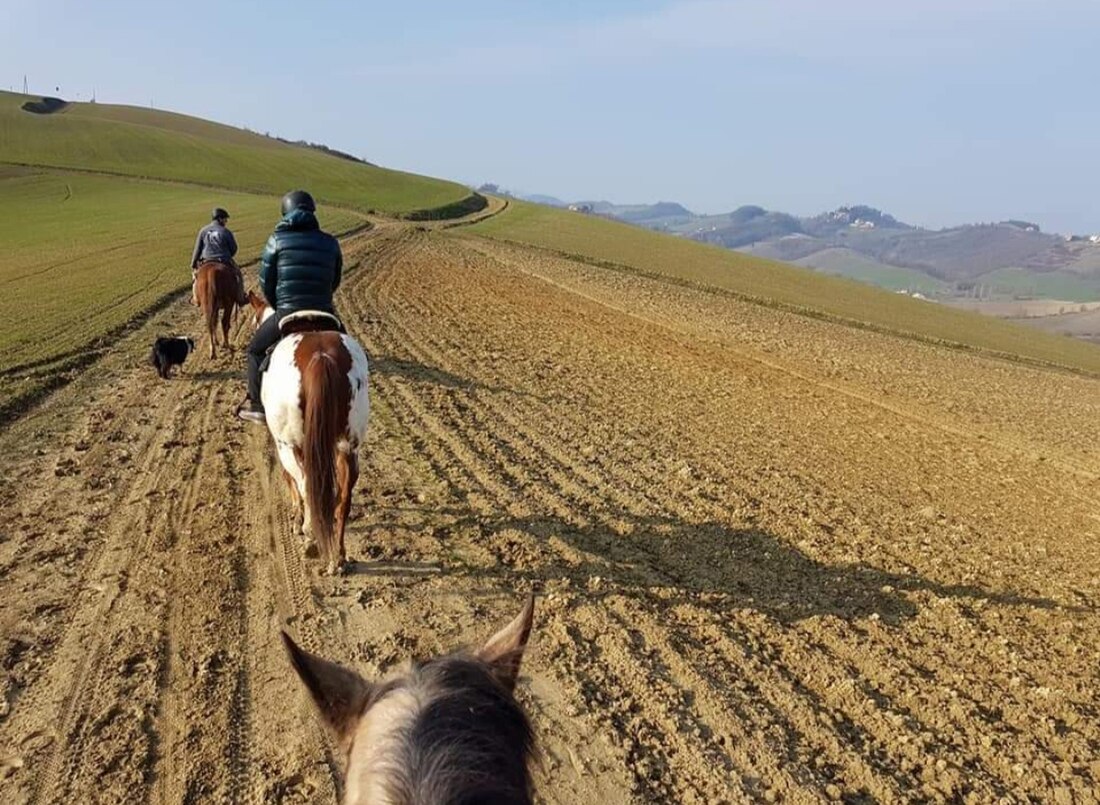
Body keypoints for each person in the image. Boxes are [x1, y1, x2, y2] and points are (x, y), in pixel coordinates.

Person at [238, 190, 343, 424]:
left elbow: (267, 282)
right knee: (354, 354)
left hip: (287, 311)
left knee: (254, 351)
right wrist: (322, 300)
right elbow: (335, 280)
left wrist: (279, 306)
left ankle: (256, 406)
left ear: (286, 213)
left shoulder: (277, 240)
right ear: (313, 212)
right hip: (325, 311)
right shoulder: (330, 242)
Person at [190, 207, 247, 305]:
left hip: (206, 260)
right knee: (238, 275)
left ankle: (195, 298)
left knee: (195, 277)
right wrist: (228, 255)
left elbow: (197, 249)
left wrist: (193, 263)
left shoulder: (203, 231)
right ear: (220, 219)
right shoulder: (226, 232)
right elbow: (234, 248)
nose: (226, 221)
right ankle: (241, 298)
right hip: (223, 259)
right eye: (225, 219)